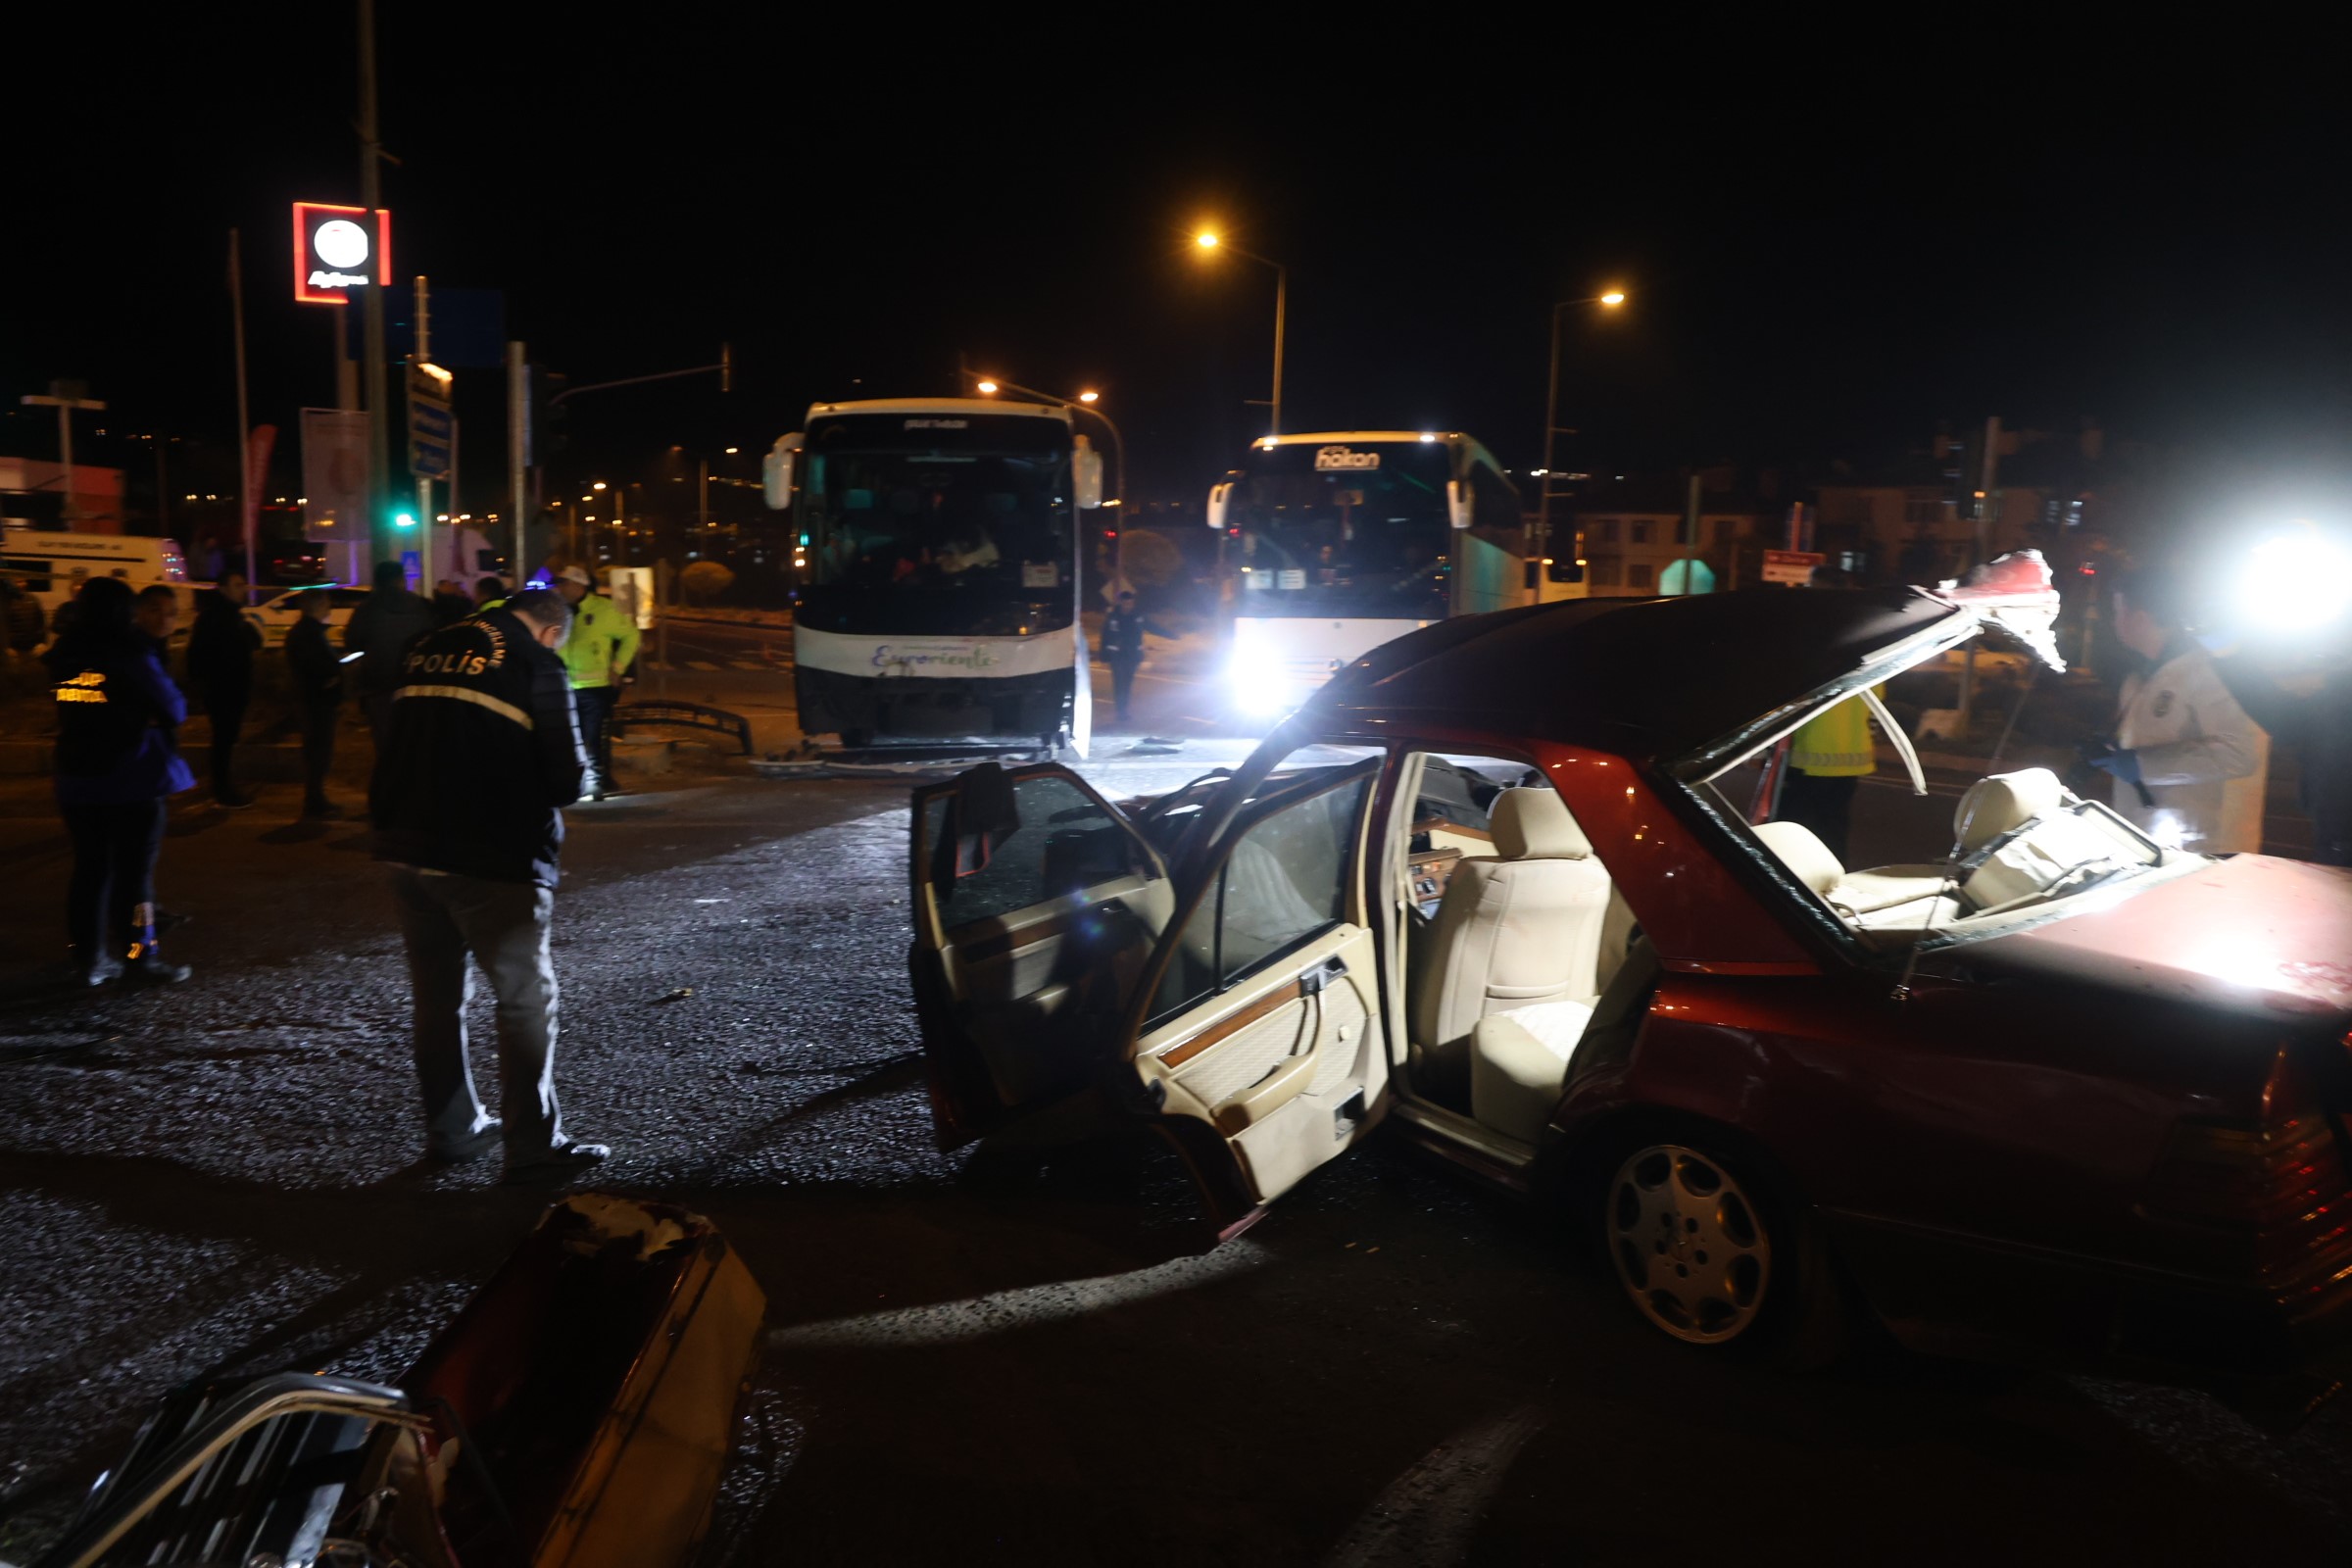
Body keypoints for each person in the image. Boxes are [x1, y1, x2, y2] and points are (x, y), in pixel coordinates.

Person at [370, 585, 609, 1180]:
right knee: (525, 1000)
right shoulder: (536, 662)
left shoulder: (424, 647)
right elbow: (567, 779)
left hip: (406, 845)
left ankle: (453, 1130)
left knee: (438, 999)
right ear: (552, 630)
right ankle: (533, 1145)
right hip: (491, 853)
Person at [45, 577, 196, 986]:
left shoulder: (66, 654)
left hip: (77, 779)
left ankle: (88, 959)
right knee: (135, 880)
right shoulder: (128, 652)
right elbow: (174, 707)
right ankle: (139, 957)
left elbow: (79, 705)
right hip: (131, 778)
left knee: (89, 872)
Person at [2090, 569, 2267, 854]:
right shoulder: (2137, 679)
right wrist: (2108, 751)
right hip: (2135, 838)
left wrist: (2142, 765)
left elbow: (2239, 756)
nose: (2113, 622)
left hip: (2185, 845)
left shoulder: (2207, 672)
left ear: (2140, 619)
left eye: (2117, 612)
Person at [552, 564, 641, 800]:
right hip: (564, 687)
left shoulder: (603, 609)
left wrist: (618, 668)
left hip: (596, 688)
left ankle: (600, 781)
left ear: (579, 585)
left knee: (595, 738)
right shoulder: (557, 609)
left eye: (564, 583)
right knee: (570, 738)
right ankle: (577, 781)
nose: (559, 587)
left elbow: (631, 635)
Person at [344, 560, 438, 752]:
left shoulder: (367, 608)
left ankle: (389, 778)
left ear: (377, 581)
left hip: (378, 684)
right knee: (412, 743)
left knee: (385, 744)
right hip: (414, 684)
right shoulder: (421, 605)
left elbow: (352, 641)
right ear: (401, 579)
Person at [185, 570, 260, 808]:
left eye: (244, 585)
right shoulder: (216, 618)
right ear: (223, 589)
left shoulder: (233, 616)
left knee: (226, 739)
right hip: (222, 690)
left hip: (231, 688)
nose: (244, 589)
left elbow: (251, 643)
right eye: (238, 584)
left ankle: (223, 784)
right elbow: (197, 655)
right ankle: (222, 789)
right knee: (223, 740)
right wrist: (204, 686)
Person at [1778, 692, 1877, 862]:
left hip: (1808, 757)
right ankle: (1833, 878)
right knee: (1834, 831)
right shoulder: (1869, 665)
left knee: (1791, 832)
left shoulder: (1818, 666)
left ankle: (1790, 882)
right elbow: (1875, 713)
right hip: (1851, 760)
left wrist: (1763, 752)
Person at [285, 590, 346, 820]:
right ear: (316, 605)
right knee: (318, 752)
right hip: (316, 702)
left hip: (315, 701)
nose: (329, 607)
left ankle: (316, 799)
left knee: (318, 752)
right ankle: (315, 801)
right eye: (326, 602)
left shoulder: (308, 631)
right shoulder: (307, 633)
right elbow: (313, 666)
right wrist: (332, 676)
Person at [1097, 589, 1174, 725]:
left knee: (1127, 683)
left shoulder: (1138, 616)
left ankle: (1123, 709)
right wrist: (1103, 654)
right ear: (1121, 603)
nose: (1128, 606)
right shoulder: (1113, 616)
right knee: (1119, 683)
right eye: (1125, 603)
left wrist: (1170, 635)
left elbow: (1151, 627)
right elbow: (1105, 635)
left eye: (1130, 603)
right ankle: (1121, 711)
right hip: (1117, 655)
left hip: (1132, 656)